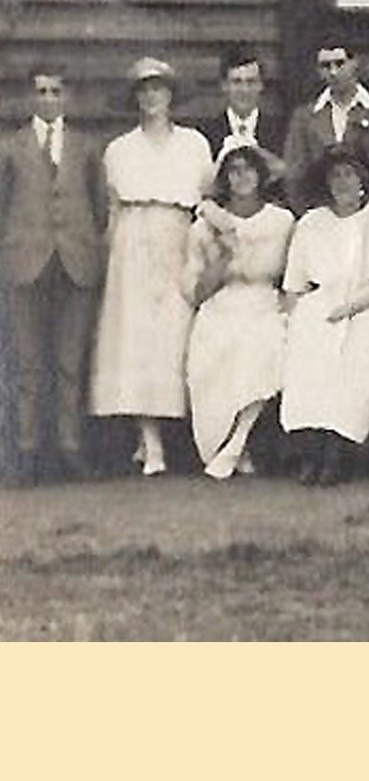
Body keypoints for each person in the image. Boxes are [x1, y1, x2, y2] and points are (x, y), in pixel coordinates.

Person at [91, 56, 215, 477]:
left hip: (179, 236)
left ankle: (179, 438)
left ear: (171, 95)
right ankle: (150, 440)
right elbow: (112, 210)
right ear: (134, 97)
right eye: (143, 89)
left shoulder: (194, 144)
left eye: (158, 88)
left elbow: (206, 200)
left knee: (175, 336)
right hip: (133, 240)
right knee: (136, 339)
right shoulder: (119, 149)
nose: (151, 96)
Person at [0, 69, 107, 483]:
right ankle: (27, 452)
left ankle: (69, 448)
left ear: (67, 96)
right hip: (25, 265)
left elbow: (99, 208)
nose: (48, 98)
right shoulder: (10, 148)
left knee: (69, 364)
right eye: (41, 91)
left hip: (74, 264)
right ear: (30, 98)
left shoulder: (85, 147)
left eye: (55, 91)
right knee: (27, 364)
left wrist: (80, 243)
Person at [277, 142, 369, 485]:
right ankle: (311, 449)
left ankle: (336, 451)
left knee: (360, 357)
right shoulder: (311, 223)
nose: (343, 182)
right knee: (309, 353)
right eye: (335, 176)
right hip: (322, 304)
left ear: (364, 178)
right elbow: (294, 285)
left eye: (349, 174)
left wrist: (352, 308)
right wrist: (294, 321)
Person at [181, 138, 294, 480]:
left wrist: (287, 308)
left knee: (263, 346)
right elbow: (196, 292)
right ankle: (231, 444)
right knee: (212, 351)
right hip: (222, 302)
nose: (242, 177)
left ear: (261, 175)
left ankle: (237, 442)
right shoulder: (204, 227)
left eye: (249, 169)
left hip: (265, 301)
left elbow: (292, 276)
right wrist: (225, 253)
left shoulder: (282, 222)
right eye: (233, 170)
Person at [278, 44, 369, 213]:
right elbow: (295, 175)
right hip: (321, 214)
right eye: (326, 66)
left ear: (355, 63)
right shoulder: (305, 117)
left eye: (340, 64)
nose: (333, 72)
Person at [187, 47, 278, 165]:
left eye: (251, 82)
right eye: (237, 82)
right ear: (224, 85)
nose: (244, 90)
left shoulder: (281, 133)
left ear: (261, 85)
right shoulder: (205, 136)